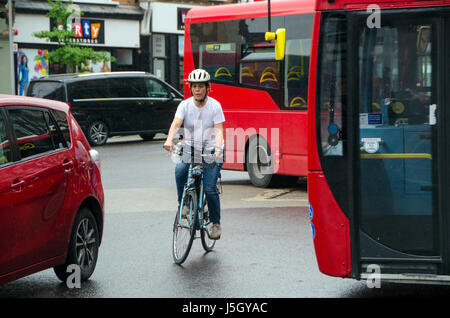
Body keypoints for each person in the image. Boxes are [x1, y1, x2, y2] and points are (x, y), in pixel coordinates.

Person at [163, 69, 225, 240]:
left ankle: (215, 223)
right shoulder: (184, 105)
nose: (197, 90)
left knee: (210, 187)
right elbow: (176, 124)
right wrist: (169, 140)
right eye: (194, 86)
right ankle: (183, 205)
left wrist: (218, 150)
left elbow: (219, 130)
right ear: (191, 88)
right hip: (192, 148)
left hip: (212, 148)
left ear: (207, 88)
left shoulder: (215, 106)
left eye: (201, 86)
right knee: (180, 171)